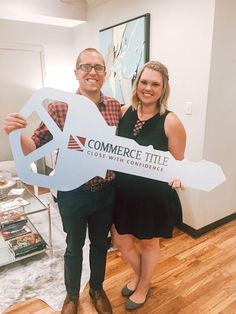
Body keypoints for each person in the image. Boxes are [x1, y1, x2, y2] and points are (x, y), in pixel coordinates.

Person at [4, 48, 121, 314]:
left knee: (100, 244)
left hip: (106, 190)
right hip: (72, 192)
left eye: (98, 67)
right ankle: (71, 295)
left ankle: (96, 289)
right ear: (76, 72)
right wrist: (16, 132)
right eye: (86, 67)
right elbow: (34, 146)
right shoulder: (59, 107)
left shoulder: (115, 106)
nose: (92, 72)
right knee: (74, 245)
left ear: (105, 73)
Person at [111, 60, 186, 311]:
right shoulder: (123, 112)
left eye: (155, 84)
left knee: (149, 243)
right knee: (121, 241)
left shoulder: (170, 121)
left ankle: (143, 284)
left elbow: (178, 163)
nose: (148, 88)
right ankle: (141, 275)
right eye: (144, 82)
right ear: (137, 83)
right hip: (123, 193)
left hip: (152, 196)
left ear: (163, 89)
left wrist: (178, 175)